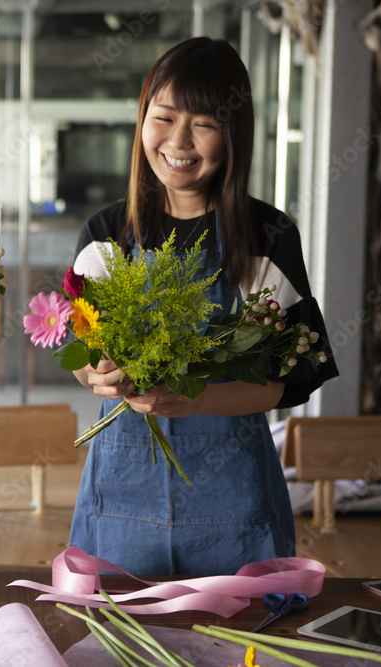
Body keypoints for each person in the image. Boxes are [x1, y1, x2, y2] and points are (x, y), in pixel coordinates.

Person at [68, 37, 338, 576]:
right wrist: (97, 373)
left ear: (233, 134)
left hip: (234, 512)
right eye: (163, 118)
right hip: (122, 501)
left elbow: (293, 379)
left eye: (205, 124)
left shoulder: (268, 236)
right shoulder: (105, 234)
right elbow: (79, 355)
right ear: (143, 120)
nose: (178, 141)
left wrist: (195, 401)